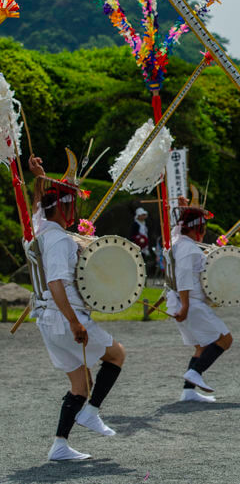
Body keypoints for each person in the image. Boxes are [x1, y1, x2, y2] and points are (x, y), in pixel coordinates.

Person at [28, 156, 126, 461]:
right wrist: (74, 322)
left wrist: (39, 180)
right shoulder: (57, 239)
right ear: (61, 207)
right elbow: (57, 282)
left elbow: (35, 209)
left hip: (47, 320)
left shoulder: (40, 229)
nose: (74, 212)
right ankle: (92, 412)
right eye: (71, 206)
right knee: (117, 355)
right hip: (63, 317)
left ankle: (60, 445)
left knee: (80, 384)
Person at [166, 200, 233, 403]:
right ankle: (195, 373)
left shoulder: (176, 241)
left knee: (201, 346)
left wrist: (185, 207)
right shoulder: (188, 249)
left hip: (181, 302)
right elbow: (184, 275)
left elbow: (176, 229)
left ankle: (188, 391)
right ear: (198, 228)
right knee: (225, 339)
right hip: (190, 303)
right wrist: (186, 305)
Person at [129, 206, 156, 276]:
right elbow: (132, 236)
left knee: (143, 262)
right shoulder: (135, 224)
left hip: (144, 246)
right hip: (137, 246)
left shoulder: (143, 224)